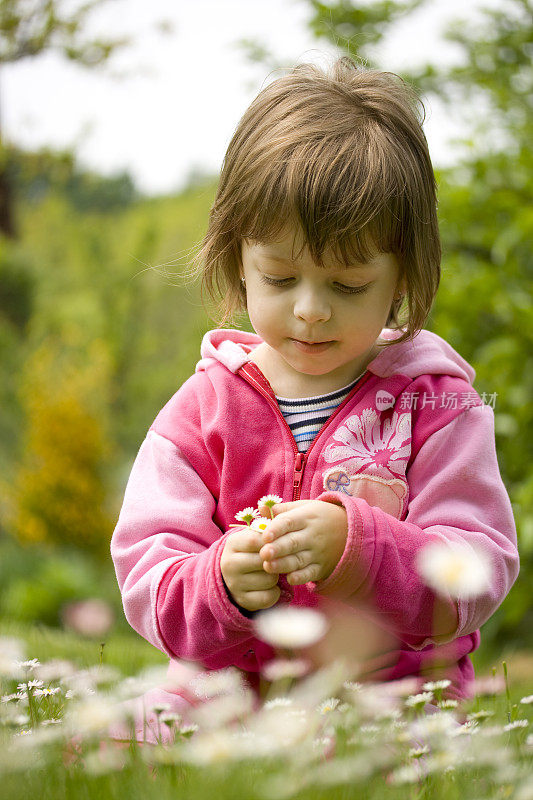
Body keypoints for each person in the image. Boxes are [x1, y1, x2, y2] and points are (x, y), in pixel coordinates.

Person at [110, 56, 519, 744]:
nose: (309, 312)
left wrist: (360, 547)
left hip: (389, 703)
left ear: (402, 277)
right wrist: (220, 582)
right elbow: (149, 574)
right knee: (116, 738)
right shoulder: (201, 409)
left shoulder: (437, 403)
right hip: (229, 700)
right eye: (278, 276)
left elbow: (477, 568)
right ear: (236, 258)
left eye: (347, 285)